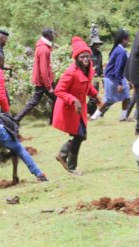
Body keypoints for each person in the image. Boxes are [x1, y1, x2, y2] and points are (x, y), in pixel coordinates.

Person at [53, 37, 99, 176]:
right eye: (82, 57)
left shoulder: (89, 69)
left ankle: (62, 155)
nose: (85, 59)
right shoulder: (70, 72)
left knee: (81, 136)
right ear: (76, 58)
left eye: (87, 56)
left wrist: (96, 96)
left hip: (80, 109)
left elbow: (87, 84)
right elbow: (59, 90)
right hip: (69, 108)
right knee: (79, 135)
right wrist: (73, 100)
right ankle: (71, 166)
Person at [15, 28, 57, 123]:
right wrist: (49, 86)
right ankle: (16, 119)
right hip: (44, 81)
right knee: (56, 98)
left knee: (55, 98)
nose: (53, 36)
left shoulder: (42, 46)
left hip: (44, 80)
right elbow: (43, 70)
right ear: (48, 35)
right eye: (52, 34)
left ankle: (53, 121)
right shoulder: (44, 49)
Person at [91, 29, 131, 121]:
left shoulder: (117, 49)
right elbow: (118, 68)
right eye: (127, 40)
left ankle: (123, 117)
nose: (128, 42)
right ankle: (94, 116)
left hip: (113, 77)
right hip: (114, 78)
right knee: (109, 99)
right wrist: (120, 83)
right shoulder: (121, 51)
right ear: (123, 39)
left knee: (126, 96)